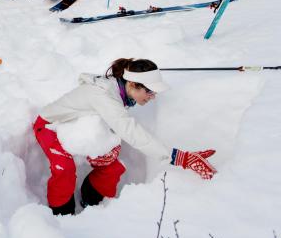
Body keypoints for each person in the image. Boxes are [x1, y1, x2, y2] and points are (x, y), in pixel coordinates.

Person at [33, 58, 217, 216]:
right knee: (65, 168)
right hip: (51, 126)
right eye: (150, 91)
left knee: (111, 167)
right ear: (132, 84)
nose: (152, 97)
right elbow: (131, 131)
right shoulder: (105, 96)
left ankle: (90, 200)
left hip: (80, 125)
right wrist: (179, 157)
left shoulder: (120, 90)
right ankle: (62, 215)